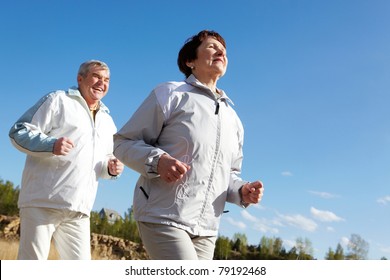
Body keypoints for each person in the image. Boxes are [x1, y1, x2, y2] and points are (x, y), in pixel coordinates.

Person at [113, 30, 264, 260]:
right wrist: (158, 161)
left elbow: (229, 175)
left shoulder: (234, 120)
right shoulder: (170, 93)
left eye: (223, 49)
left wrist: (242, 191)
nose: (221, 51)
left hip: (207, 230)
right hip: (163, 215)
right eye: (212, 46)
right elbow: (123, 143)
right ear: (190, 61)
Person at [9, 60, 124, 260]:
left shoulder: (108, 121)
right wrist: (50, 145)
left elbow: (104, 161)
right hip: (42, 202)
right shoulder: (58, 100)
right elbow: (18, 131)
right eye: (96, 76)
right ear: (80, 79)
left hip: (79, 210)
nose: (101, 83)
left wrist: (112, 168)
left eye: (106, 80)